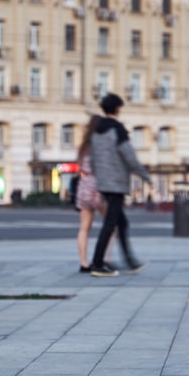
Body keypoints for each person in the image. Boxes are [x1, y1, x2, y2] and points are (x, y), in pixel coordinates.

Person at [88, 92, 153, 277]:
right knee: (110, 224)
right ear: (117, 109)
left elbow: (94, 159)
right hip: (116, 182)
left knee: (121, 223)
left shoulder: (96, 130)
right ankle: (98, 264)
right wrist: (145, 177)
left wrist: (98, 179)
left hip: (104, 182)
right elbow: (129, 157)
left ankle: (130, 261)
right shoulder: (117, 129)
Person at [75, 114, 115, 273]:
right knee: (111, 225)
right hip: (97, 186)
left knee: (84, 227)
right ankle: (104, 258)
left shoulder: (83, 146)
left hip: (83, 187)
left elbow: (80, 169)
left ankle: (84, 263)